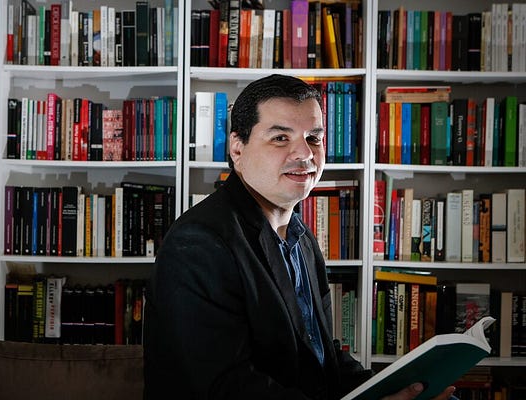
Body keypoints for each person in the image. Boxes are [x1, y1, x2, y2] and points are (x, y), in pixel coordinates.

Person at [143, 74, 457, 400]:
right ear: (237, 148)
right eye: (280, 138)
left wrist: (400, 390)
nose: (305, 154)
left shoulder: (300, 237)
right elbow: (226, 388)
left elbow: (321, 357)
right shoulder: (198, 243)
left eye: (314, 138)